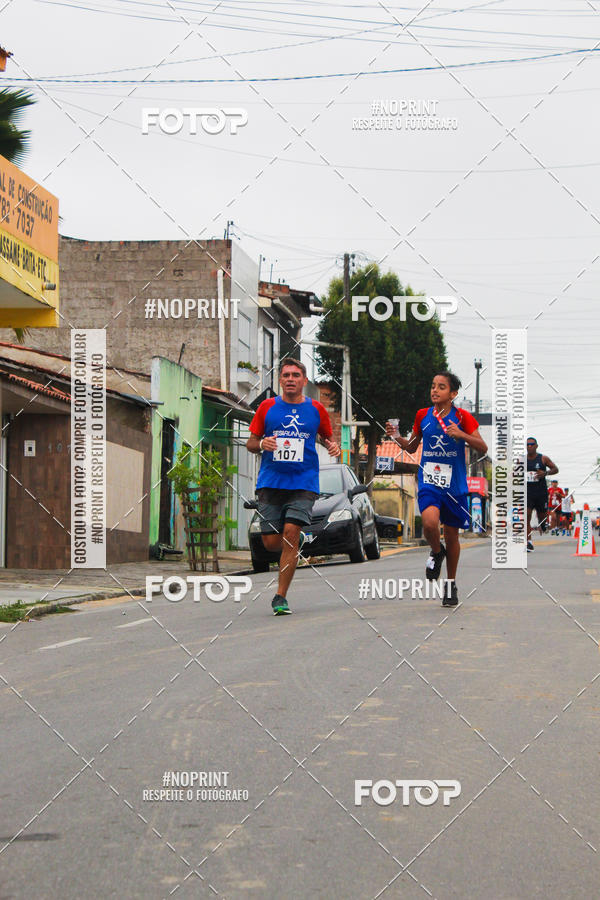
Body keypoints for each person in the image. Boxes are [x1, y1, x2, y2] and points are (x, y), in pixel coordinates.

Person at [246, 358, 340, 615]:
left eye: (295, 375)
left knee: (289, 534)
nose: (290, 379)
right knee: (270, 542)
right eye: (286, 375)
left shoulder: (316, 409)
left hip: (303, 482)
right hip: (271, 482)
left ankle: (280, 596)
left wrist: (332, 445)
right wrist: (262, 443)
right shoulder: (267, 407)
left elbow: (327, 437)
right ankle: (294, 544)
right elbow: (250, 443)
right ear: (280, 380)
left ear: (304, 380)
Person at [385, 371, 487, 607]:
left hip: (455, 485)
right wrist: (396, 436)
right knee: (430, 523)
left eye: (441, 387)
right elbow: (411, 447)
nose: (434, 390)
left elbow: (482, 446)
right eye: (433, 386)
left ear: (452, 394)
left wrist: (461, 434)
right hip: (430, 480)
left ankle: (451, 585)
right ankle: (435, 551)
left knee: (452, 536)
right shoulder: (423, 415)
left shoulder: (463, 417)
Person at [526, 438, 558, 551]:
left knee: (543, 517)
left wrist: (545, 473)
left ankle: (543, 523)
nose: (529, 446)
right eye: (527, 445)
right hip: (528, 493)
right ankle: (528, 542)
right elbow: (516, 472)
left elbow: (555, 469)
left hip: (541, 493)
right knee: (527, 515)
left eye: (531, 444)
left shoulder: (543, 458)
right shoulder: (522, 460)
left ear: (536, 446)